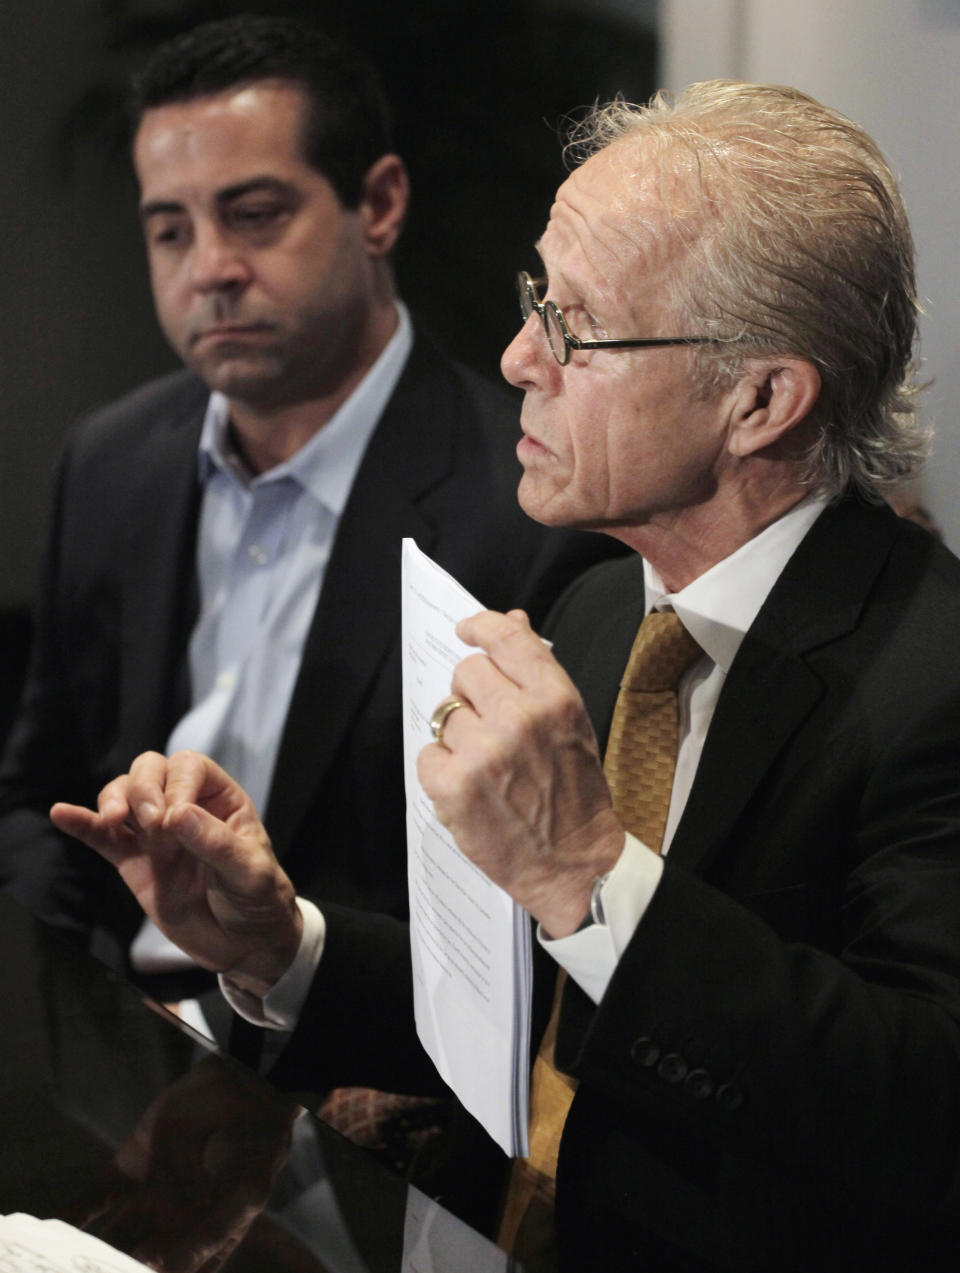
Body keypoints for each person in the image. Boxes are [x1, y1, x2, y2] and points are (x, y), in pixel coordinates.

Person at [52, 80, 960, 1271]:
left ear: (762, 400)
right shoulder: (597, 606)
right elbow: (526, 1015)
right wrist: (285, 945)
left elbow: (918, 1116)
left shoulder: (932, 674)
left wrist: (586, 872)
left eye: (579, 326)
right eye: (540, 297)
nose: (519, 354)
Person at [0, 16, 619, 1010]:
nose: (208, 267)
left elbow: (528, 912)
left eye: (253, 215)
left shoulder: (533, 502)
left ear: (378, 204)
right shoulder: (110, 463)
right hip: (118, 1029)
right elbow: (39, 797)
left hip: (340, 1055)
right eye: (171, 229)